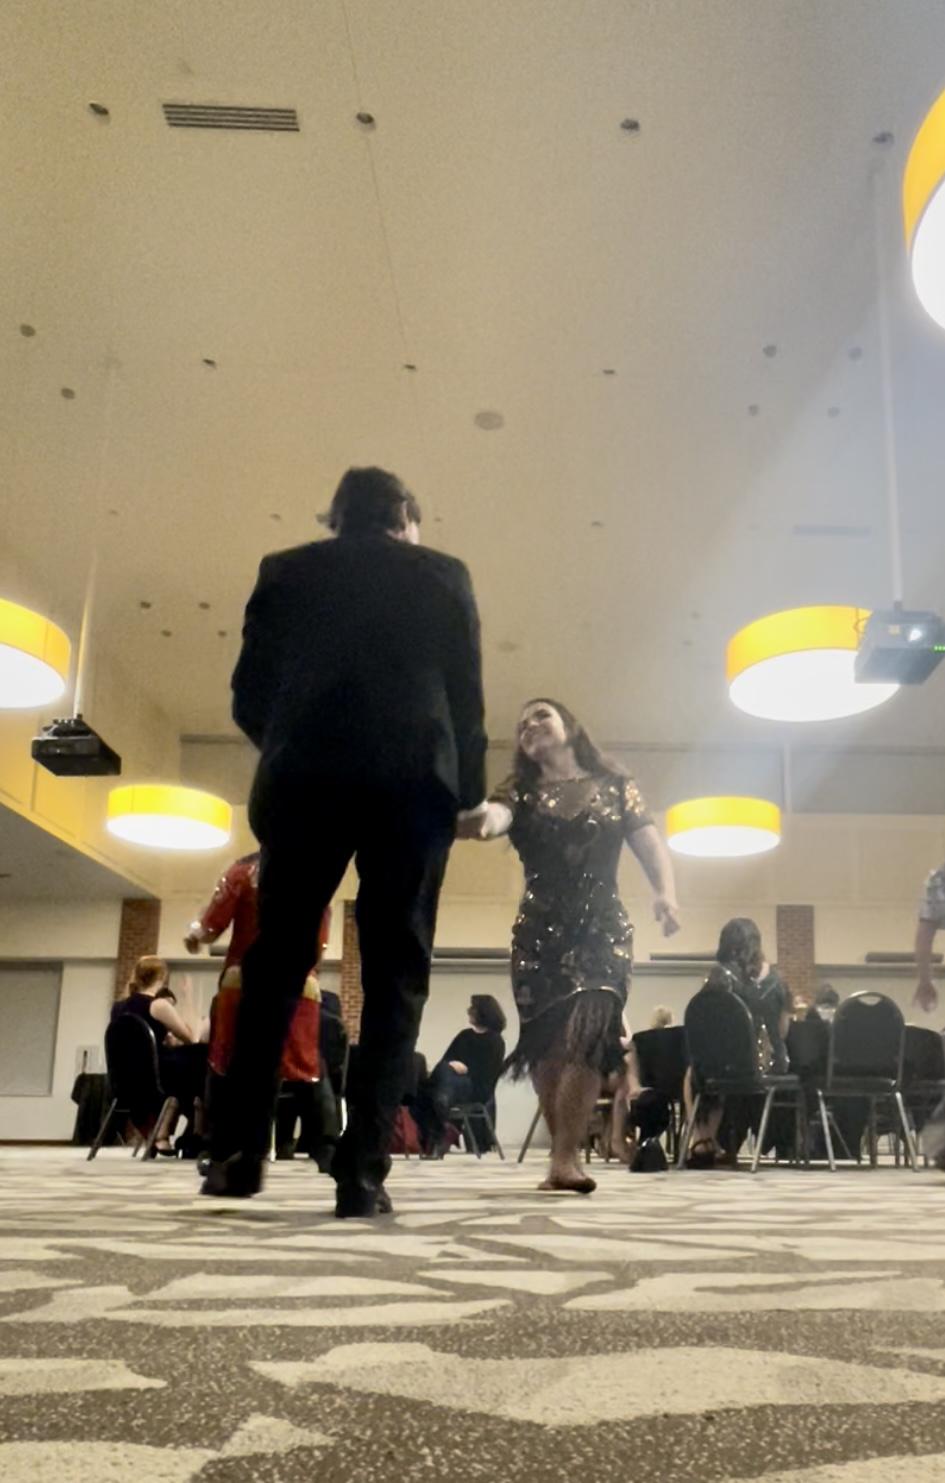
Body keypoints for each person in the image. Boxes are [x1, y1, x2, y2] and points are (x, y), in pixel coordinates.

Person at [202, 466, 487, 1217]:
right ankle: (361, 1175)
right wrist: (470, 794)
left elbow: (248, 692)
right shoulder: (443, 574)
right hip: (413, 786)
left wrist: (287, 745)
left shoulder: (284, 570)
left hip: (305, 781)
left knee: (276, 962)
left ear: (336, 517)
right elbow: (466, 700)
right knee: (396, 972)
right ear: (404, 517)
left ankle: (237, 1154)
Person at [458, 698, 680, 1193]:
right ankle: (563, 1154)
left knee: (588, 1037)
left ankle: (563, 1159)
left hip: (603, 929)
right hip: (538, 934)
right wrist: (475, 818)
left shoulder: (616, 785)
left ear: (570, 727)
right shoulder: (519, 791)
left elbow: (648, 842)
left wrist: (666, 893)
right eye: (521, 725)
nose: (529, 725)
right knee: (547, 1049)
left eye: (541, 715)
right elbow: (493, 819)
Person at [184, 851, 330, 1155]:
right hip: (301, 983)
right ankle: (325, 1145)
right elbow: (320, 940)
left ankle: (221, 1147)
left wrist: (196, 934)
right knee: (307, 1065)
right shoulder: (316, 868)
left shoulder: (243, 871)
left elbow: (210, 926)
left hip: (244, 979)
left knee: (228, 1061)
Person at [682, 918, 789, 1167]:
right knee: (730, 1075)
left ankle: (703, 1140)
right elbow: (783, 1030)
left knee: (694, 1072)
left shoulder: (718, 977)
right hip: (771, 1065)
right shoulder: (778, 980)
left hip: (731, 1066)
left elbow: (707, 1025)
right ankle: (720, 1141)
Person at [110, 956, 208, 1155]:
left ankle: (166, 1132)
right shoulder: (158, 1005)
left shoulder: (118, 1007)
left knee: (187, 1066)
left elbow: (139, 1043)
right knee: (201, 1057)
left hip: (126, 1077)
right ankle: (197, 1132)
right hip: (153, 1076)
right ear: (163, 977)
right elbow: (190, 1038)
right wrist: (188, 998)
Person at [413, 994, 507, 1155]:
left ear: (484, 1013)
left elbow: (487, 1074)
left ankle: (442, 1116)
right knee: (443, 1070)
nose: (469, 1011)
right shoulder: (464, 1036)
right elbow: (445, 1061)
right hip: (451, 1083)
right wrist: (452, 1065)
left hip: (474, 1088)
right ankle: (442, 1108)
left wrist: (464, 1069)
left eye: (473, 1009)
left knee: (443, 1084)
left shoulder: (495, 1041)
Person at [914, 862, 945, 1013]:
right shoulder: (939, 880)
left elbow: (924, 937)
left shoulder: (938, 880)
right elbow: (924, 938)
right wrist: (925, 982)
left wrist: (925, 981)